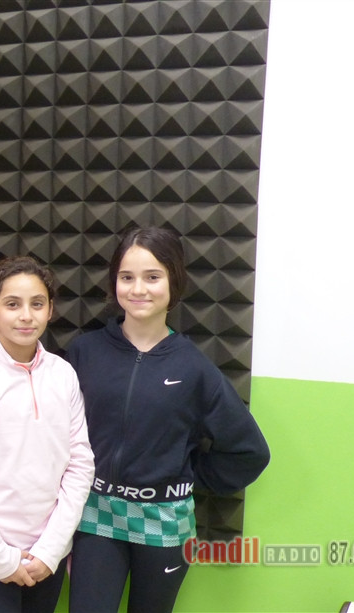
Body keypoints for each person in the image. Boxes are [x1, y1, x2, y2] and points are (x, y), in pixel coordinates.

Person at [66, 226, 270, 613]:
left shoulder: (194, 368)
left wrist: (186, 474)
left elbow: (250, 452)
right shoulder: (84, 352)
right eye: (127, 277)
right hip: (94, 517)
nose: (138, 289)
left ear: (173, 281)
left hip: (165, 523)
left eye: (152, 277)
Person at [0, 256, 94, 613]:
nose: (26, 315)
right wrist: (0, 557)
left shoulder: (63, 375)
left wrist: (51, 549)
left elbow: (80, 465)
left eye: (37, 304)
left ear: (50, 310)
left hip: (48, 557)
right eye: (12, 304)